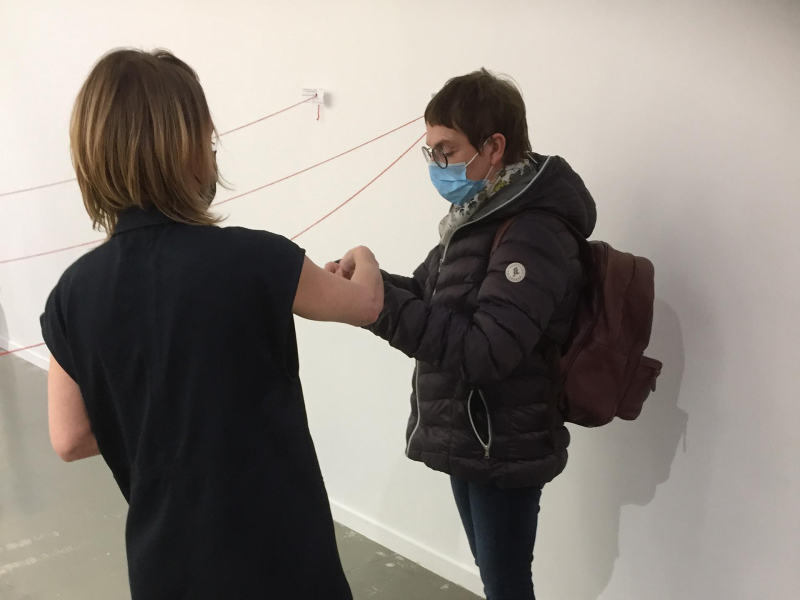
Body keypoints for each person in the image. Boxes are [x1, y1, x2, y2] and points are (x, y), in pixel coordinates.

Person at [42, 48, 383, 600]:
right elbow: (365, 304)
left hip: (166, 570)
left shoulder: (72, 294)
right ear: (188, 149)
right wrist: (363, 255)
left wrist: (162, 416)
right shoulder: (259, 260)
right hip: (282, 561)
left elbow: (70, 437)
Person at [328, 69, 597, 600]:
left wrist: (376, 306)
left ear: (494, 146)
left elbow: (485, 351)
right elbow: (429, 296)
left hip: (505, 439)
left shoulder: (533, 232)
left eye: (447, 150)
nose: (437, 165)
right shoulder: (475, 217)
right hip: (473, 432)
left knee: (505, 583)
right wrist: (368, 282)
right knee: (497, 576)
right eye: (431, 152)